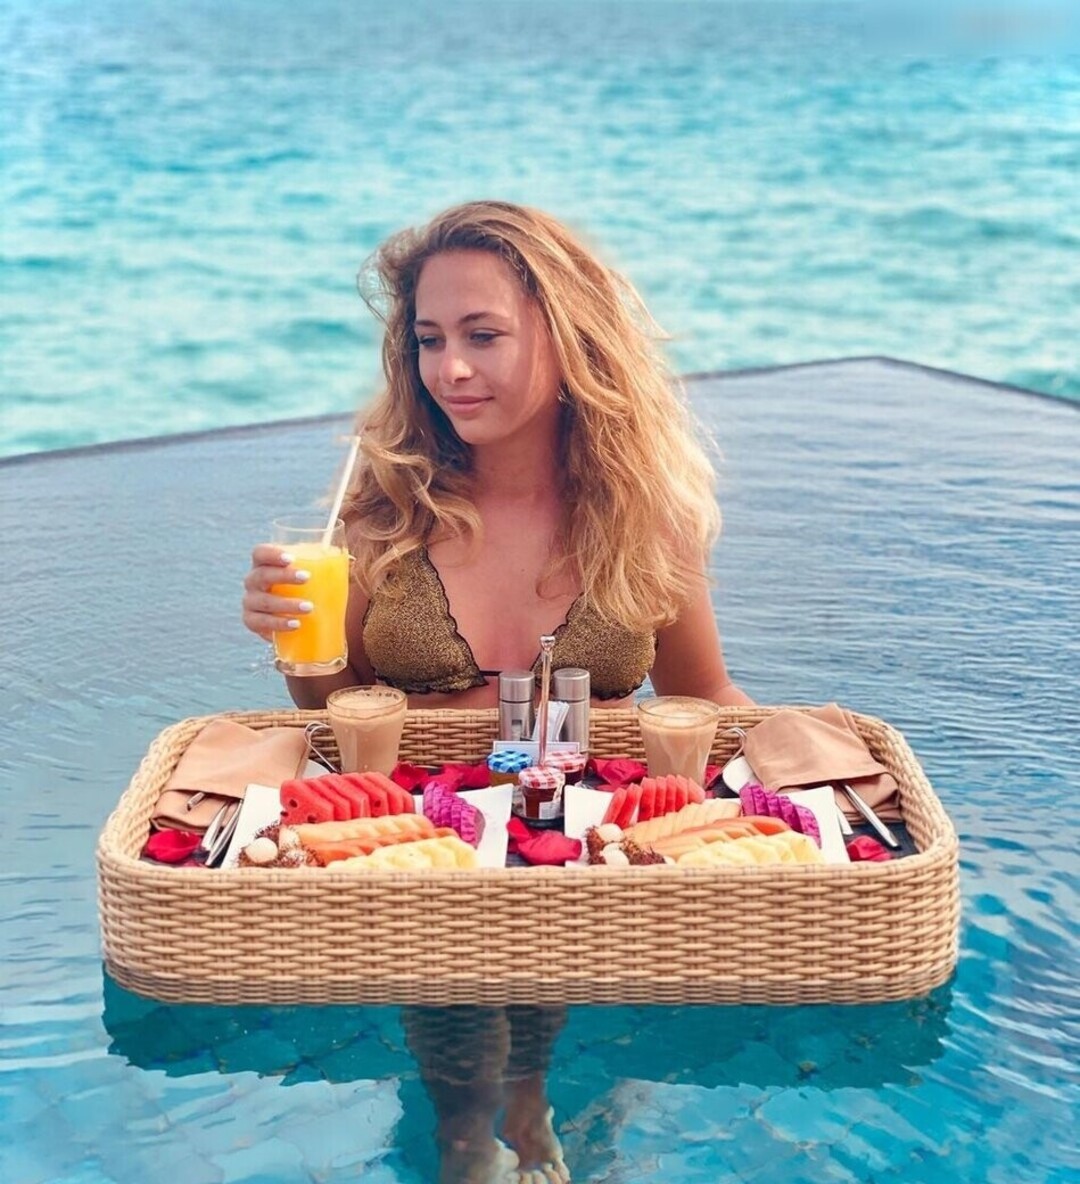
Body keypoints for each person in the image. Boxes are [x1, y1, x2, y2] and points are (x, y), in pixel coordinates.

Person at [241, 200, 753, 1183]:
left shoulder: (643, 519)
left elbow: (704, 695)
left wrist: (790, 780)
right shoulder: (384, 509)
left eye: (483, 335)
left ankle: (523, 1103)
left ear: (567, 336)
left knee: (551, 1065)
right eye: (429, 339)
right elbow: (339, 715)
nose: (451, 369)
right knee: (463, 1111)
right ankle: (472, 1131)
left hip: (574, 862)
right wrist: (294, 644)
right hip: (423, 859)